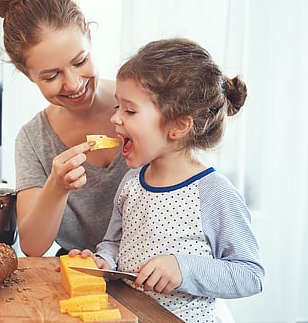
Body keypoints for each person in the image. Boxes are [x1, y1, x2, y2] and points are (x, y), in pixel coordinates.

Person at [71, 38, 265, 323]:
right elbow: (114, 243)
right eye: (117, 107)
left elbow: (251, 274)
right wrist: (103, 262)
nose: (115, 119)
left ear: (178, 126)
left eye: (130, 110)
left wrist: (184, 269)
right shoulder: (130, 183)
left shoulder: (214, 194)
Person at [0, 0, 130, 257]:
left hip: (157, 276)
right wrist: (57, 185)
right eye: (51, 76)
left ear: (89, 37)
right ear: (28, 74)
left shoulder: (145, 106)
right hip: (80, 275)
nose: (74, 84)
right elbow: (32, 246)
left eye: (80, 61)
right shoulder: (34, 139)